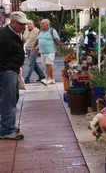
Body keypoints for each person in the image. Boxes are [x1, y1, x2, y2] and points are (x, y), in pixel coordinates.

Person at [0, 11, 28, 140]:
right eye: (21, 24)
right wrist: (7, 68)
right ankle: (6, 130)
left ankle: (7, 125)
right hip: (7, 72)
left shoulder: (15, 34)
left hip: (12, 70)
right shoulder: (5, 36)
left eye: (25, 24)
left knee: (13, 98)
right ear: (12, 23)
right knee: (8, 100)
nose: (24, 26)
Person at [33, 19, 61, 85]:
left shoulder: (52, 31)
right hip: (42, 51)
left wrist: (58, 49)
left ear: (47, 24)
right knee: (47, 65)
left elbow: (57, 40)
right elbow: (37, 40)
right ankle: (51, 79)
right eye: (40, 23)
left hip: (50, 51)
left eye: (42, 23)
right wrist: (33, 47)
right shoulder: (40, 31)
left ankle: (47, 78)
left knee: (49, 64)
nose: (41, 25)